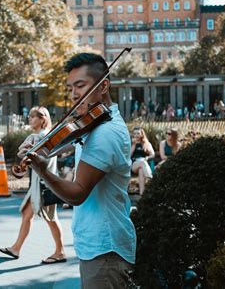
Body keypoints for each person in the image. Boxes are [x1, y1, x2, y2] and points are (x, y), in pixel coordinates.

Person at [26, 53, 135, 287]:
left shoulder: (106, 133)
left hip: (105, 250)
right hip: (99, 247)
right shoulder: (94, 123)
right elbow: (66, 141)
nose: (74, 94)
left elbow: (77, 193)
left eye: (80, 85)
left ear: (103, 85)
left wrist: (43, 170)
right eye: (70, 88)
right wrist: (39, 147)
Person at [0, 106, 66, 264]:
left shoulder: (40, 137)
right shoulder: (44, 137)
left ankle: (60, 251)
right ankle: (16, 248)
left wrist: (25, 155)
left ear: (42, 119)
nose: (29, 119)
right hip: (39, 184)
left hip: (44, 185)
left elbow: (36, 159)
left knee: (51, 218)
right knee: (27, 214)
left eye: (32, 116)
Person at [130, 126, 155, 195]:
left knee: (141, 169)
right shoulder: (131, 143)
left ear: (141, 134)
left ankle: (142, 193)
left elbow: (153, 154)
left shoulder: (146, 144)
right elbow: (129, 156)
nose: (136, 135)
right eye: (134, 134)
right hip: (134, 164)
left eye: (138, 133)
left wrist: (147, 158)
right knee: (142, 163)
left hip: (143, 165)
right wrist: (134, 145)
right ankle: (151, 179)